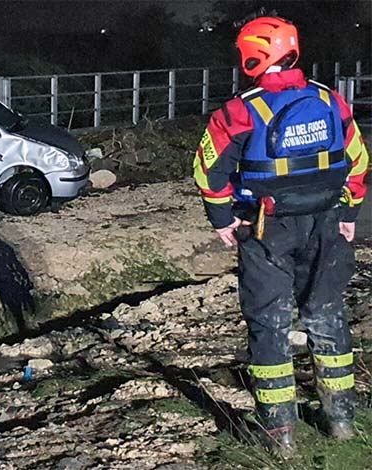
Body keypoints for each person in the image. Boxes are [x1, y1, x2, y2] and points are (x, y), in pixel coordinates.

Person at [193, 16, 369, 455]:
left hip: (267, 228)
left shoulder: (239, 110)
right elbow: (359, 163)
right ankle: (342, 422)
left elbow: (206, 171)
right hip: (328, 224)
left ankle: (280, 437)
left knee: (270, 325)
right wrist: (349, 211)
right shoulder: (332, 101)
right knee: (327, 315)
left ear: (255, 56)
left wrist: (222, 219)